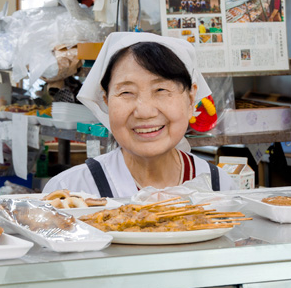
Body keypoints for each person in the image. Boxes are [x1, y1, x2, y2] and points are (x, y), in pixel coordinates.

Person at [43, 32, 233, 197]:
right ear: (106, 100)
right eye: (126, 92)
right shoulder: (71, 190)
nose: (144, 112)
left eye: (160, 90)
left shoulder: (219, 186)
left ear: (191, 99)